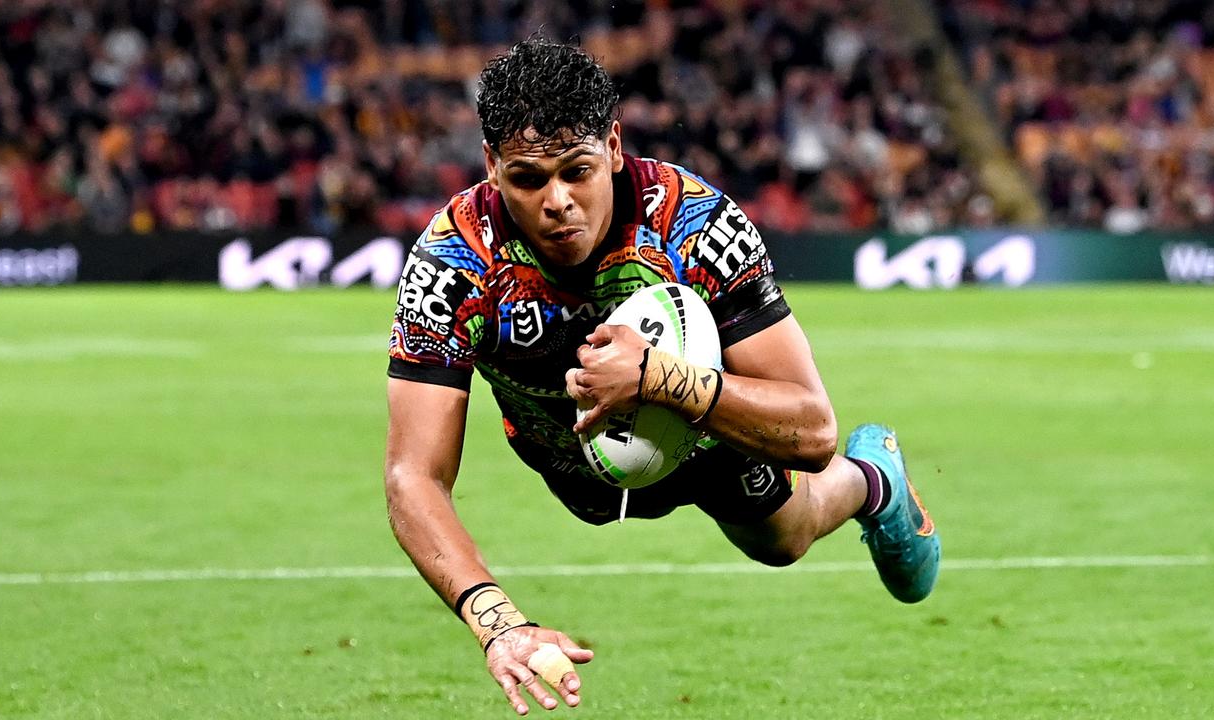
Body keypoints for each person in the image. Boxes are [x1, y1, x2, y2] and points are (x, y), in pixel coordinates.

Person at [384, 38, 940, 716]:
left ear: (614, 147)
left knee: (784, 540)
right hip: (569, 461)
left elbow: (813, 428)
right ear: (492, 167)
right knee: (611, 508)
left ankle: (874, 479)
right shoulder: (453, 262)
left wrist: (656, 378)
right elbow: (414, 474)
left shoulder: (693, 223)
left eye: (576, 171)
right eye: (529, 179)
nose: (557, 200)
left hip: (712, 435)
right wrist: (498, 626)